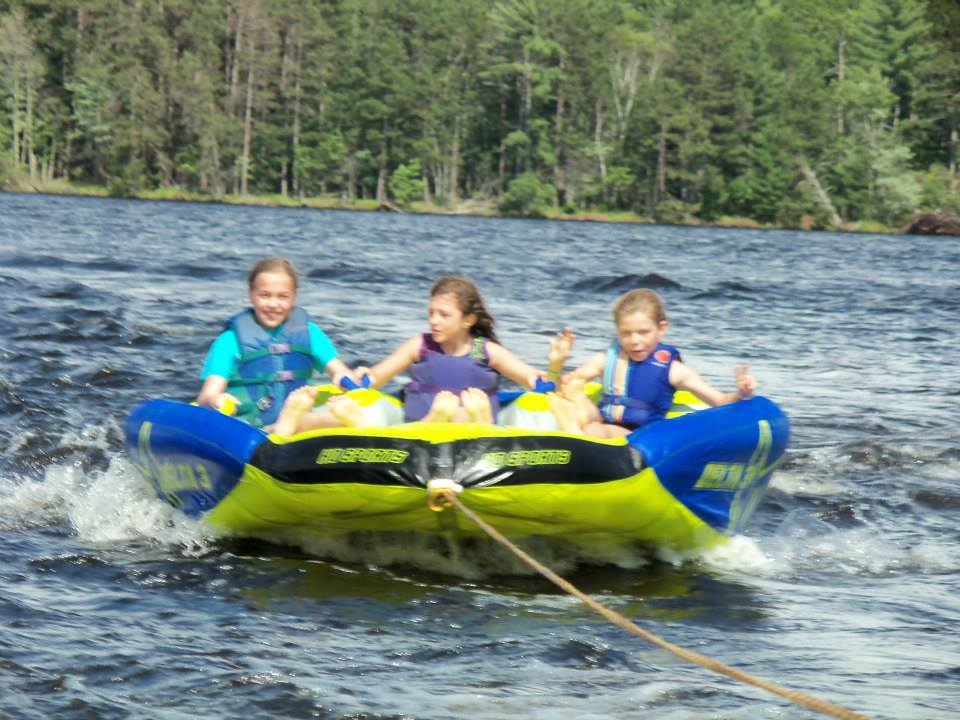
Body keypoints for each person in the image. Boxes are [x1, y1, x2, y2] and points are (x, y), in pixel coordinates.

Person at [275, 275, 553, 434]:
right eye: (431, 313)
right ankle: (282, 428)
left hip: (465, 421)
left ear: (468, 320)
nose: (434, 321)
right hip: (416, 426)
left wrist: (543, 378)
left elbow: (530, 378)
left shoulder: (484, 350)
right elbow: (378, 376)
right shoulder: (421, 345)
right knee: (356, 407)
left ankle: (470, 422)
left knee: (462, 413)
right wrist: (362, 378)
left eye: (444, 315)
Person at [547, 288, 757, 437]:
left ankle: (575, 438)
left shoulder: (674, 371)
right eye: (626, 334)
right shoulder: (604, 361)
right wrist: (557, 364)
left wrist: (741, 393)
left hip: (640, 440)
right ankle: (574, 438)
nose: (635, 341)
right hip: (600, 426)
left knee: (594, 430)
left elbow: (718, 401)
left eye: (644, 332)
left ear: (661, 329)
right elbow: (559, 390)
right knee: (574, 388)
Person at [195, 257, 354, 429]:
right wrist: (216, 399)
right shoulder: (229, 341)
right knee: (314, 420)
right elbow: (206, 396)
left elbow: (340, 372)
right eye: (264, 295)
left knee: (318, 416)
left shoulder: (310, 333)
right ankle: (294, 421)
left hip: (298, 428)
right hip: (251, 428)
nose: (273, 304)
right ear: (251, 295)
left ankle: (297, 422)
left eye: (283, 297)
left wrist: (342, 377)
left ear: (294, 297)